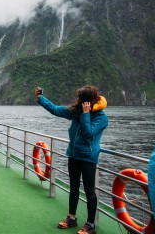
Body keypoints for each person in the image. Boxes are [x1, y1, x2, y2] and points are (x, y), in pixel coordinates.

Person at [35, 85, 108, 234]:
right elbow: (56, 109)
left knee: (89, 191)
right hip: (73, 156)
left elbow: (88, 133)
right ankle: (71, 218)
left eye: (81, 99)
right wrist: (41, 98)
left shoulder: (101, 117)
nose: (78, 101)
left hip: (88, 158)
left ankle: (90, 225)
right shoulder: (77, 111)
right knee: (73, 188)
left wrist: (86, 114)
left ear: (89, 101)